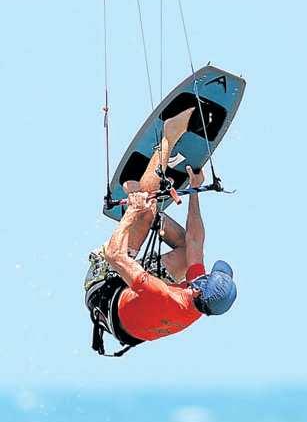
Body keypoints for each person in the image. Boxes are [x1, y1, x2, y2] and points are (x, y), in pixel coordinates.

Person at [85, 108, 237, 355]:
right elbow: (195, 241)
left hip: (104, 289)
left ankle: (169, 135)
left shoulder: (164, 294)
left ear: (199, 288)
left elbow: (114, 255)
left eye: (208, 276)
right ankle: (145, 205)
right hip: (136, 306)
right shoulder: (199, 300)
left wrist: (133, 212)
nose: (205, 273)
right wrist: (195, 191)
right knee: (187, 251)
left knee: (144, 209)